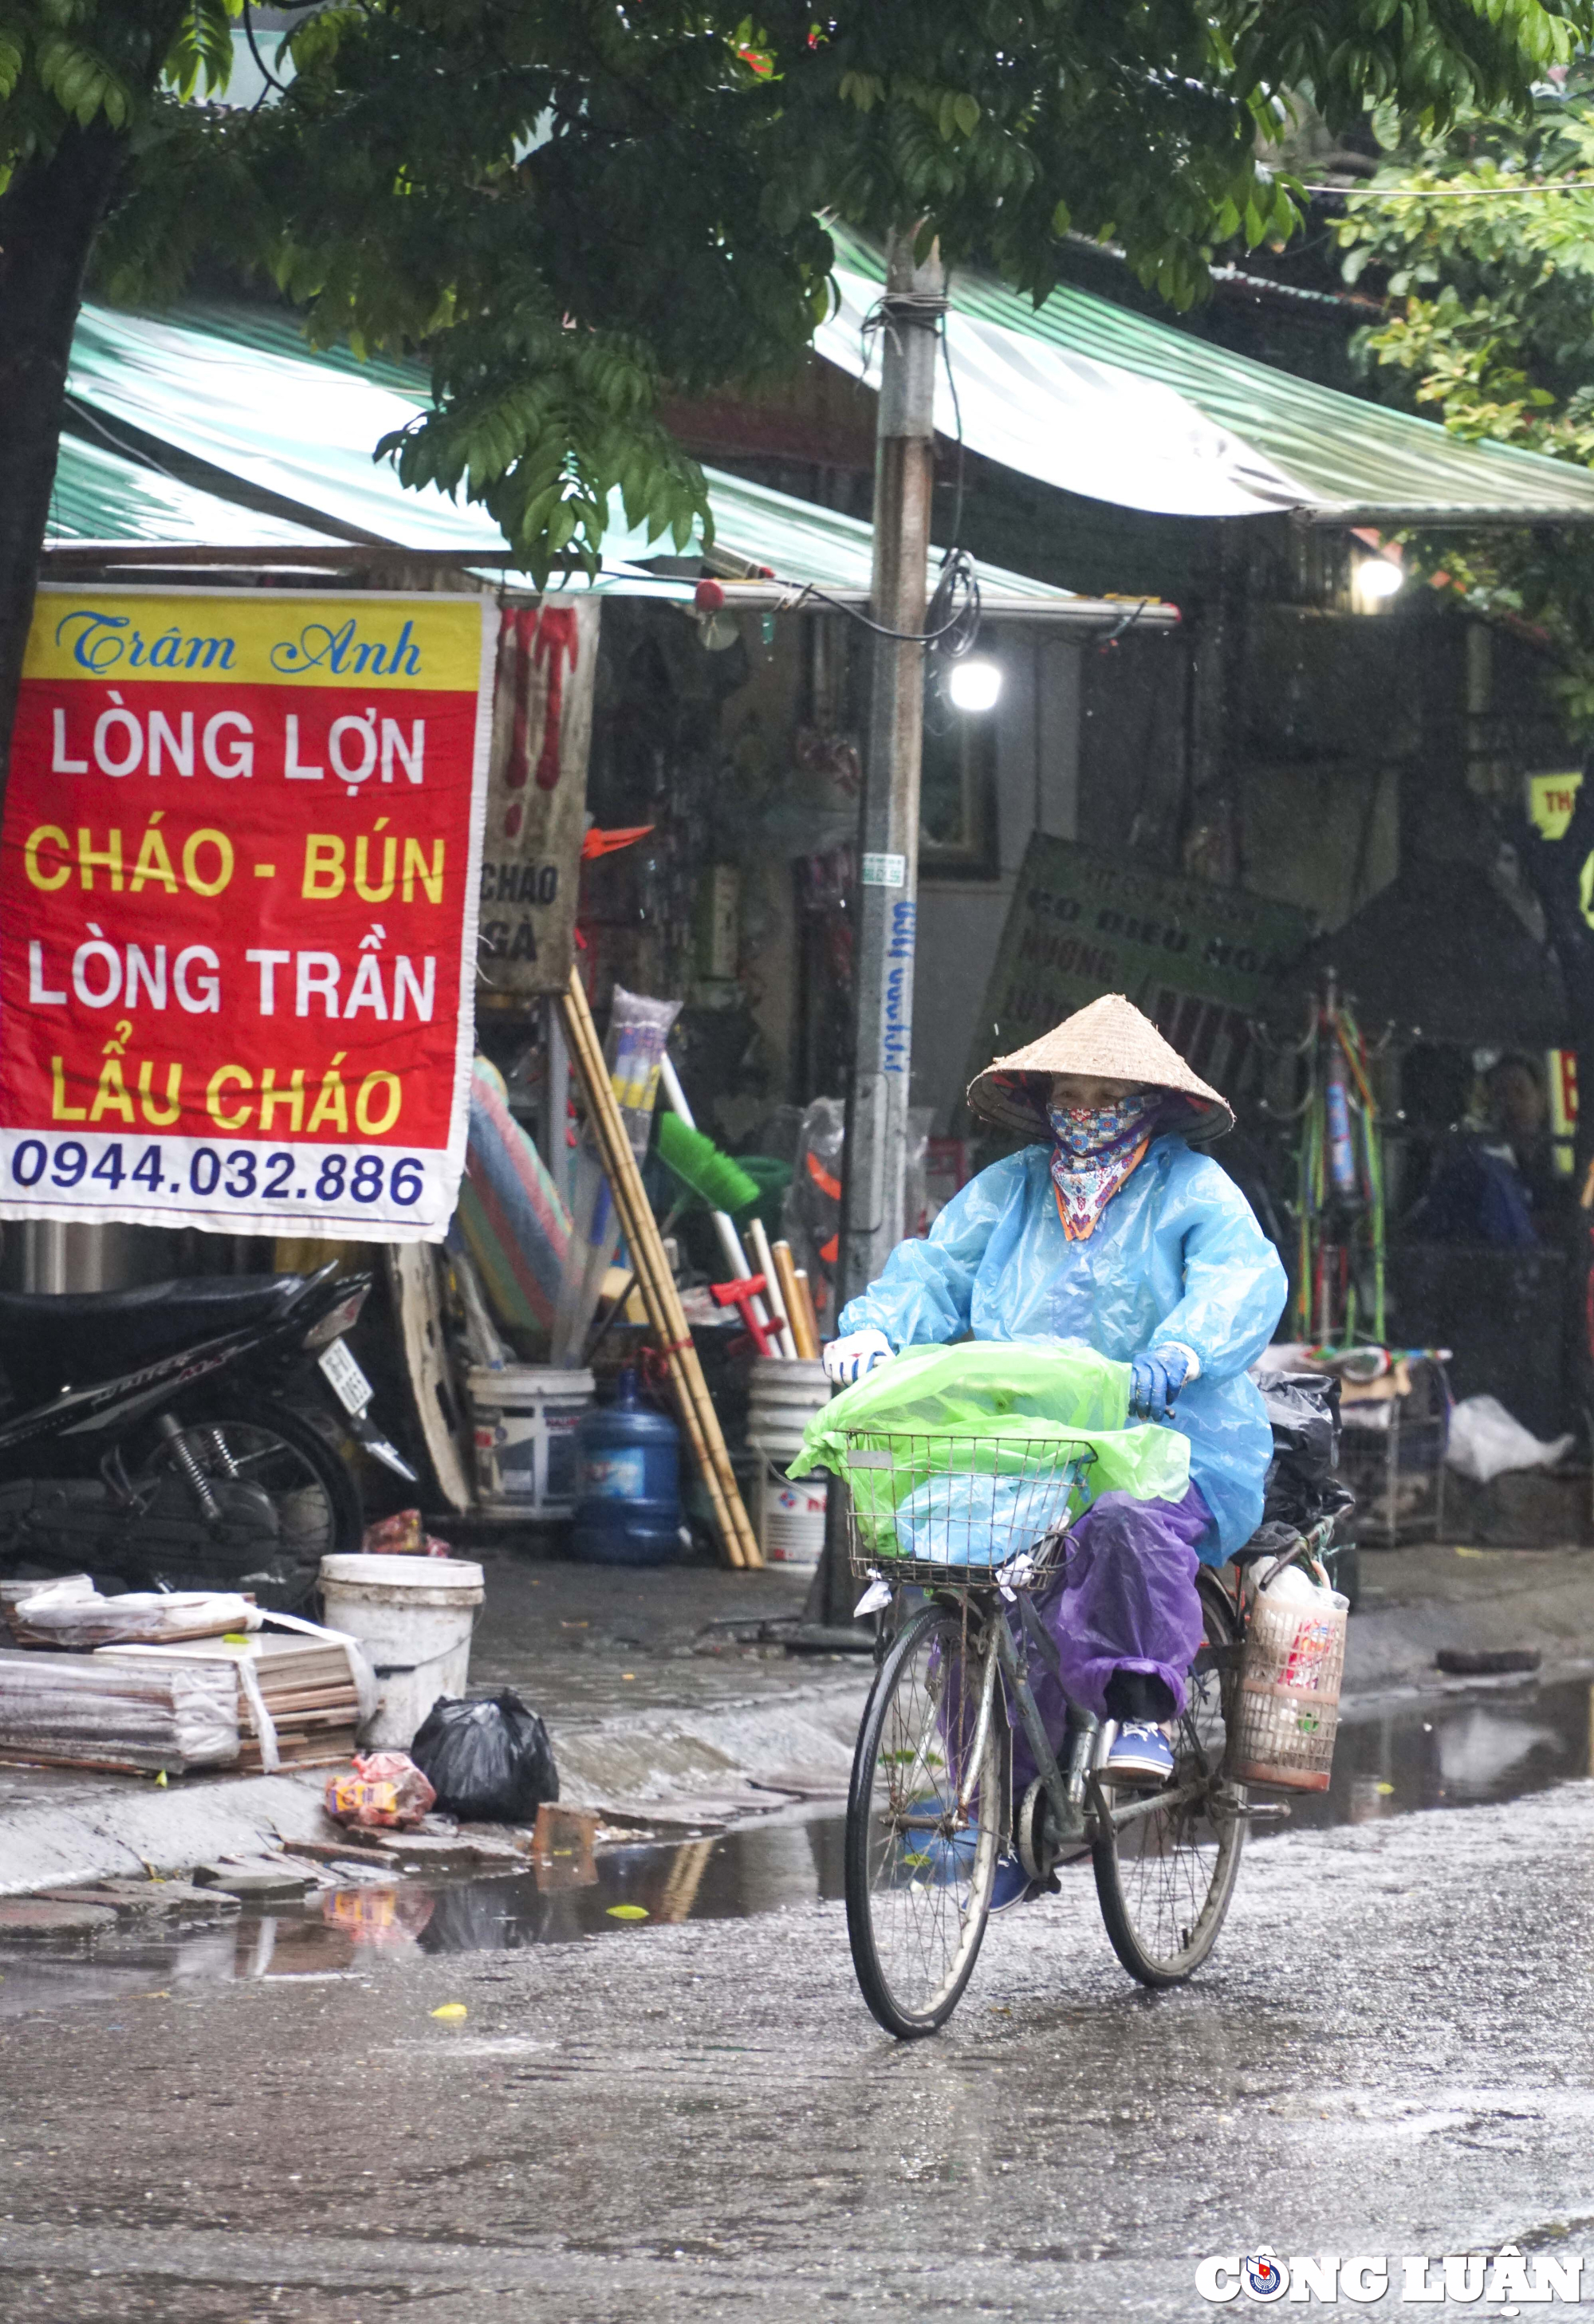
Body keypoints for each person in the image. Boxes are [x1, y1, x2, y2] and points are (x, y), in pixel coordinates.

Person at [824, 992, 1288, 1907]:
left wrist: (1179, 1353)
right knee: (956, 1583)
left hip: (1169, 1437)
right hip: (1023, 1444)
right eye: (1068, 1094)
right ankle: (1001, 1801)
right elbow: (933, 1271)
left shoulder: (1193, 1189)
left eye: (1105, 1093)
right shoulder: (1011, 1186)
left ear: (1147, 1101)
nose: (1084, 1110)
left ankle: (1144, 1710)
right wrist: (875, 1332)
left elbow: (1240, 1280)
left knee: (1123, 1522)